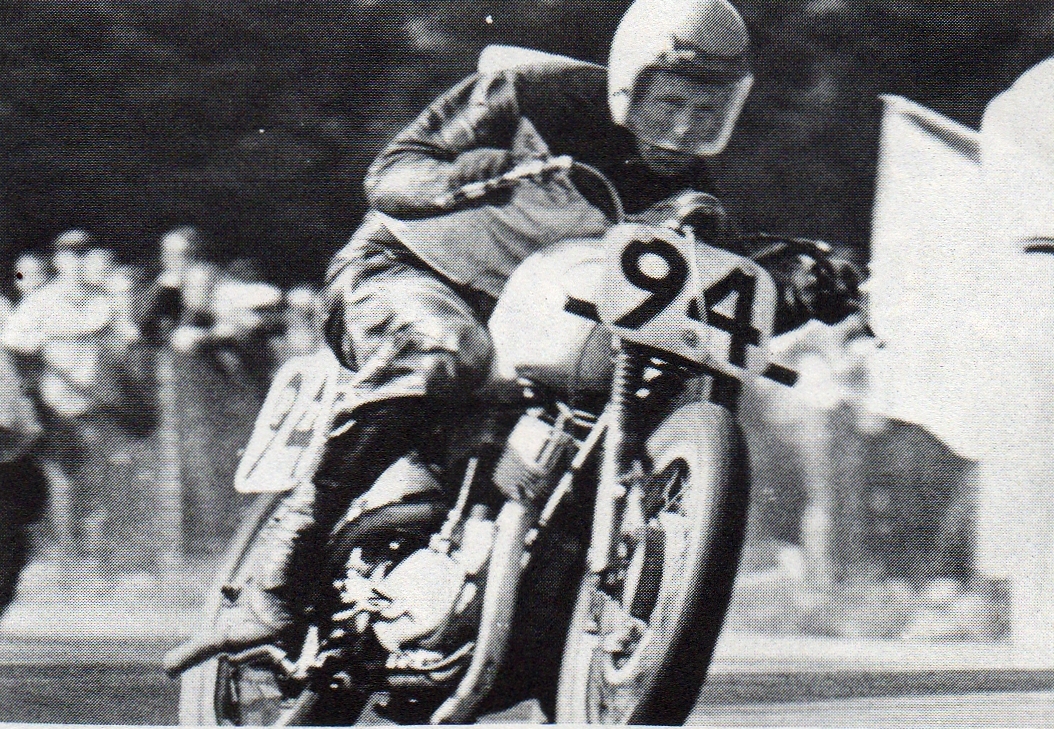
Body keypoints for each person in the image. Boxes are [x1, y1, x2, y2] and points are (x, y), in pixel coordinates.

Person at [166, 0, 859, 674]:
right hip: (405, 273)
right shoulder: (533, 93)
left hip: (524, 328)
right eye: (669, 104)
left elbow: (707, 297)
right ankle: (283, 565)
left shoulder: (688, 194)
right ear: (629, 82)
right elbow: (393, 171)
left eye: (706, 114)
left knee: (612, 413)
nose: (681, 132)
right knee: (444, 353)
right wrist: (463, 177)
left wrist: (801, 284)